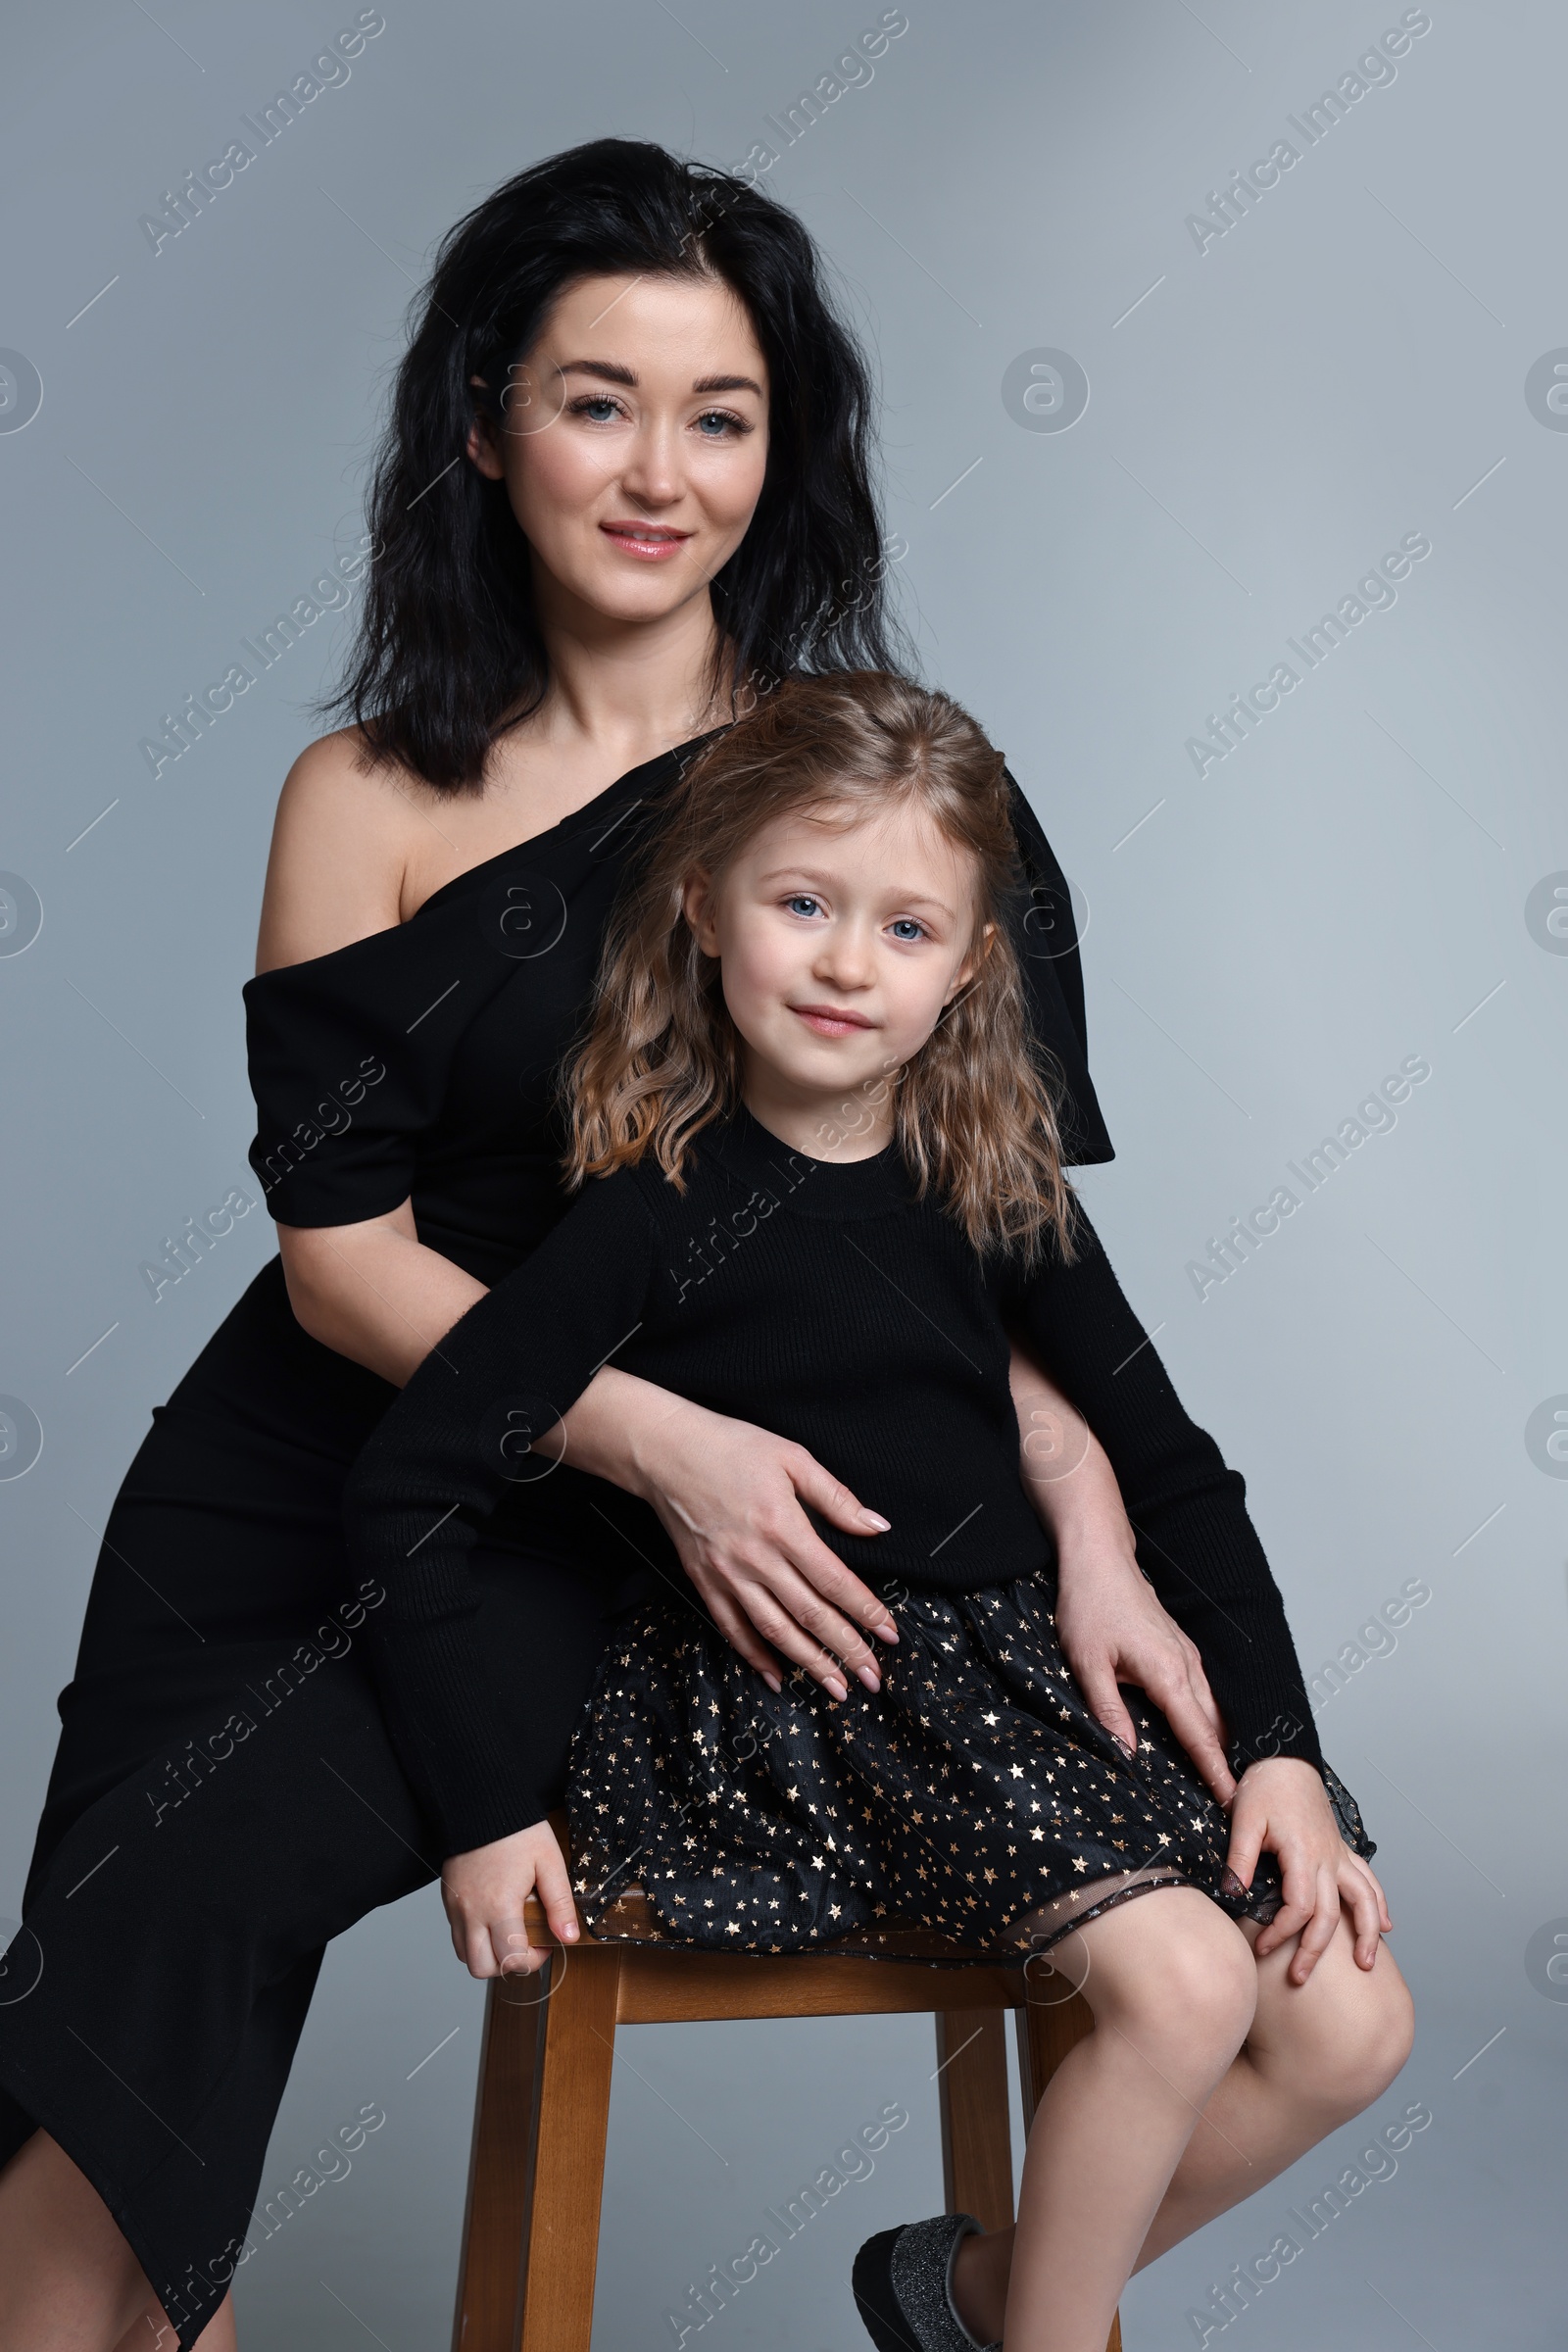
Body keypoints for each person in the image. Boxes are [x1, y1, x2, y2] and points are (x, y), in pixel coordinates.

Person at [0, 143, 1210, 2352]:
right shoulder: (359, 792)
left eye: (719, 413)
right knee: (133, 1928)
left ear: (784, 446)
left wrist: (1093, 1535)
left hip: (589, 1558)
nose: (660, 474)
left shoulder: (892, 794)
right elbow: (338, 1266)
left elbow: (992, 1258)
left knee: (235, 1872)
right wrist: (662, 1436)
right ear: (481, 426)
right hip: (319, 1468)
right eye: (594, 402)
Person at [343, 672, 1415, 2352]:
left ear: (974, 966)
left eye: (907, 927)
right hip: (821, 1705)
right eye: (803, 904)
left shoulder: (996, 1183)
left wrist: (1279, 1741)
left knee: (1352, 2031)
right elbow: (410, 1479)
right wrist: (482, 1812)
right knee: (1191, 1985)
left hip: (1031, 1692)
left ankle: (968, 2293)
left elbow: (1176, 1464)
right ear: (703, 909)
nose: (849, 963)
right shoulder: (646, 1212)